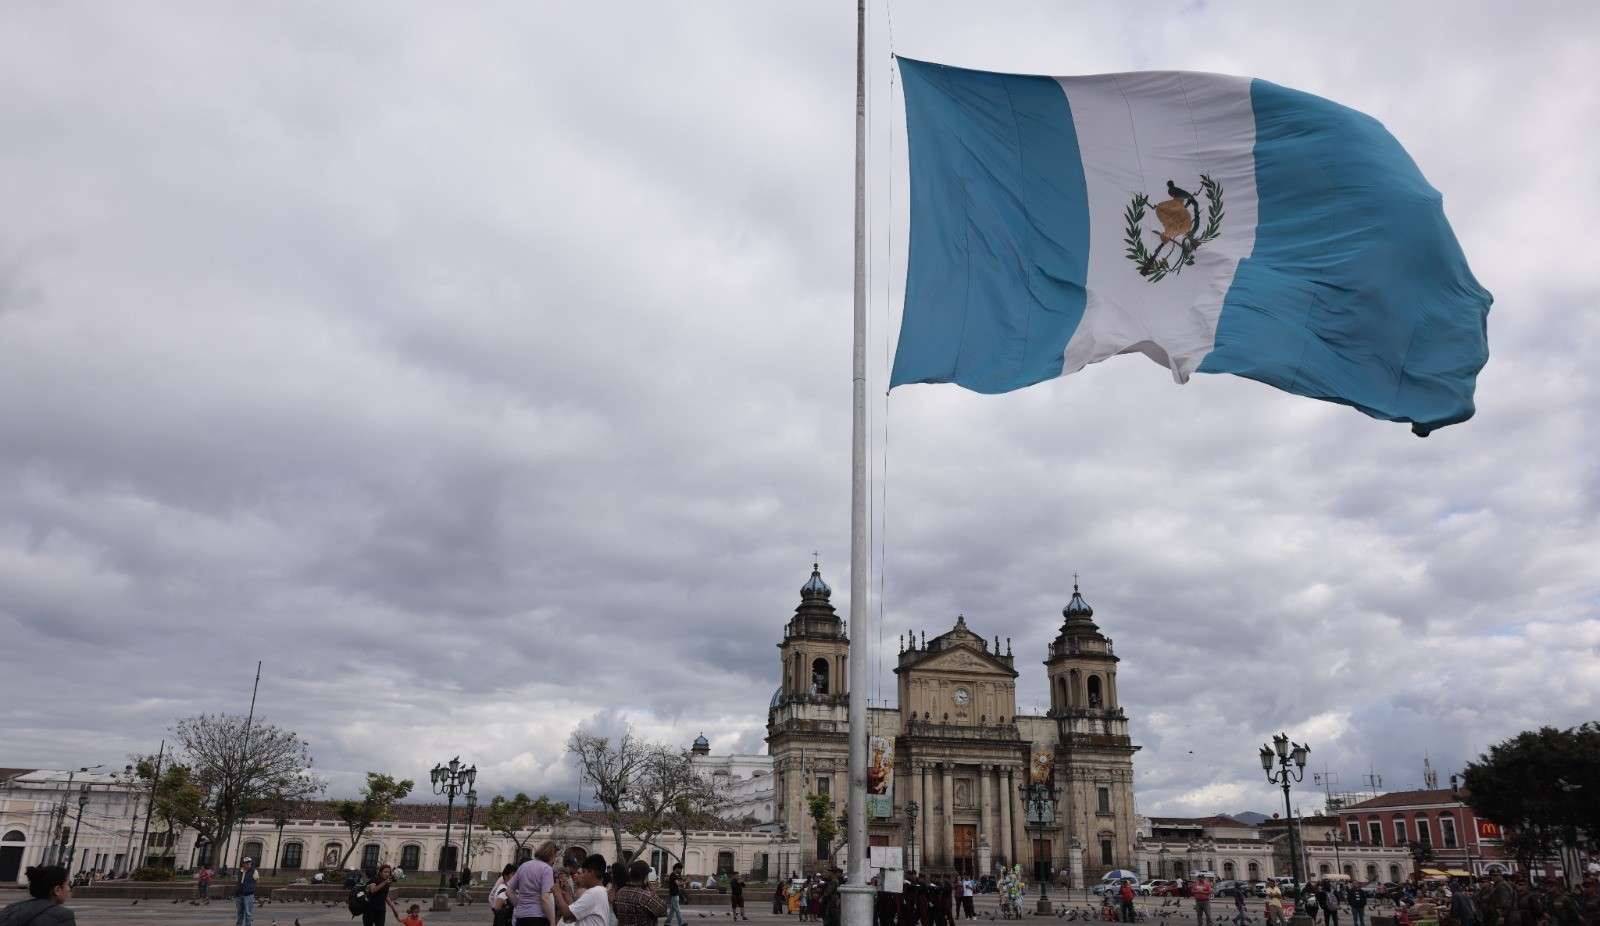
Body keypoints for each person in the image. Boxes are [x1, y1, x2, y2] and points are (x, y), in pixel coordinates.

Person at [0, 864, 75, 925]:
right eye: (67, 884)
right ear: (57, 890)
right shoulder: (63, 915)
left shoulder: (11, 908)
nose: (69, 889)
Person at [509, 841, 560, 926]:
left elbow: (509, 891)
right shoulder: (546, 869)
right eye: (555, 856)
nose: (555, 860)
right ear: (551, 855)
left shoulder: (523, 866)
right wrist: (552, 921)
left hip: (521, 917)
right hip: (538, 917)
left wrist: (518, 905)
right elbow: (545, 898)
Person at [555, 854, 613, 926]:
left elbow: (568, 916)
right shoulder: (601, 891)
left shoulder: (594, 893)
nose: (582, 876)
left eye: (584, 872)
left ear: (591, 872)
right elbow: (573, 916)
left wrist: (557, 892)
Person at [614, 860, 668, 926]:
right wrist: (652, 891)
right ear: (645, 877)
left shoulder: (620, 892)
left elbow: (617, 914)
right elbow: (663, 911)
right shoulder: (644, 896)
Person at [234, 857, 258, 926]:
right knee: (239, 912)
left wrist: (250, 888)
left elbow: (257, 880)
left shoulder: (254, 871)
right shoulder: (240, 871)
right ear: (243, 864)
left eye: (249, 863)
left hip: (248, 895)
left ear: (251, 863)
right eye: (246, 863)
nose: (247, 865)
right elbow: (237, 881)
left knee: (248, 912)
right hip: (238, 895)